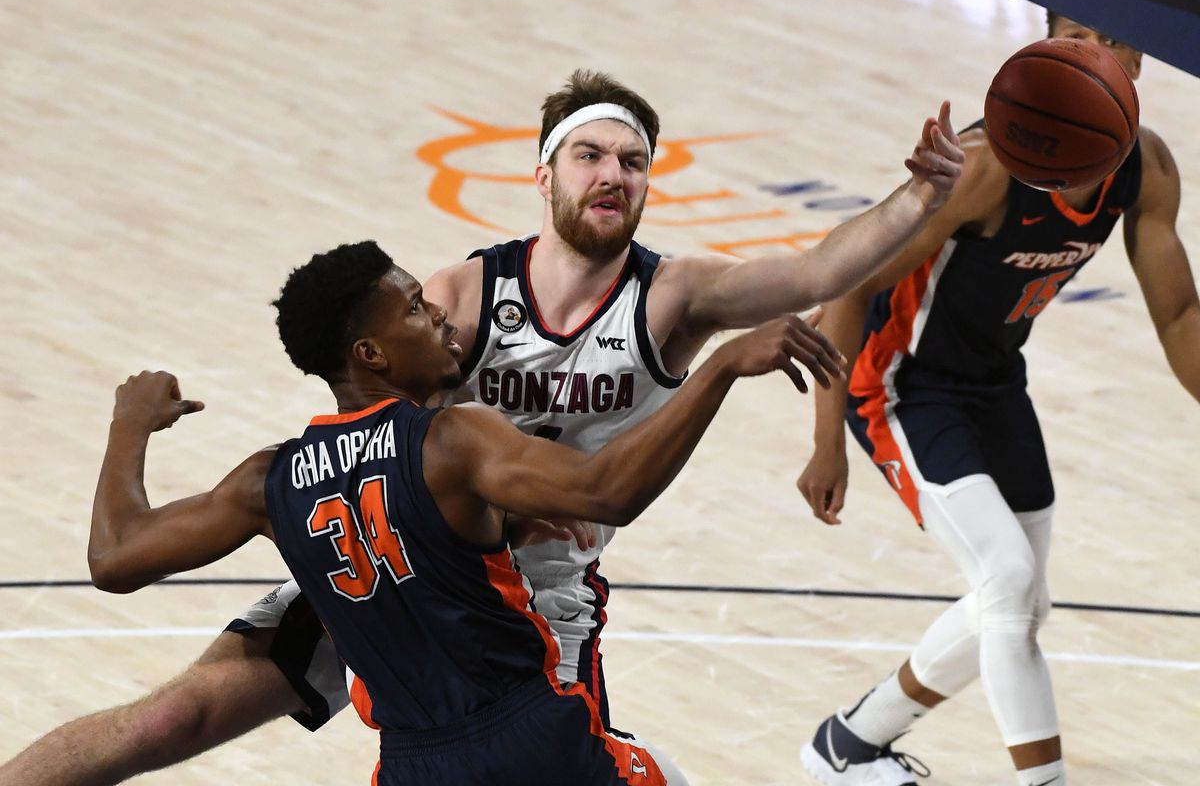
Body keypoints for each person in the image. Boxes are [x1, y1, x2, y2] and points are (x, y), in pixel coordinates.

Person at [0, 71, 965, 785]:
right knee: (173, 717)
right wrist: (485, 501)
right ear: (545, 172)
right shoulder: (461, 294)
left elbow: (814, 272)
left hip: (529, 599)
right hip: (417, 570)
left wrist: (922, 195)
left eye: (634, 161)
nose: (614, 175)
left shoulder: (673, 295)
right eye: (592, 154)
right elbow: (368, 394)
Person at [81, 240, 840, 784]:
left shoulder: (269, 484)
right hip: (531, 740)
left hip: (411, 763)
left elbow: (115, 559)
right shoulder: (452, 439)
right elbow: (610, 491)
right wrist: (722, 367)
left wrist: (128, 426)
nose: (440, 318)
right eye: (415, 309)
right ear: (372, 355)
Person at [795, 14, 1199, 786]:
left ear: (1140, 56)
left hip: (994, 382)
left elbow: (1181, 317)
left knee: (1017, 602)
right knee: (1007, 583)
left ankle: (848, 746)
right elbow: (850, 280)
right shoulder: (982, 168)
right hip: (897, 384)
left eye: (1111, 37)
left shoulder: (1146, 169)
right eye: (1076, 33)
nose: (1092, 51)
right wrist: (826, 437)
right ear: (1042, 48)